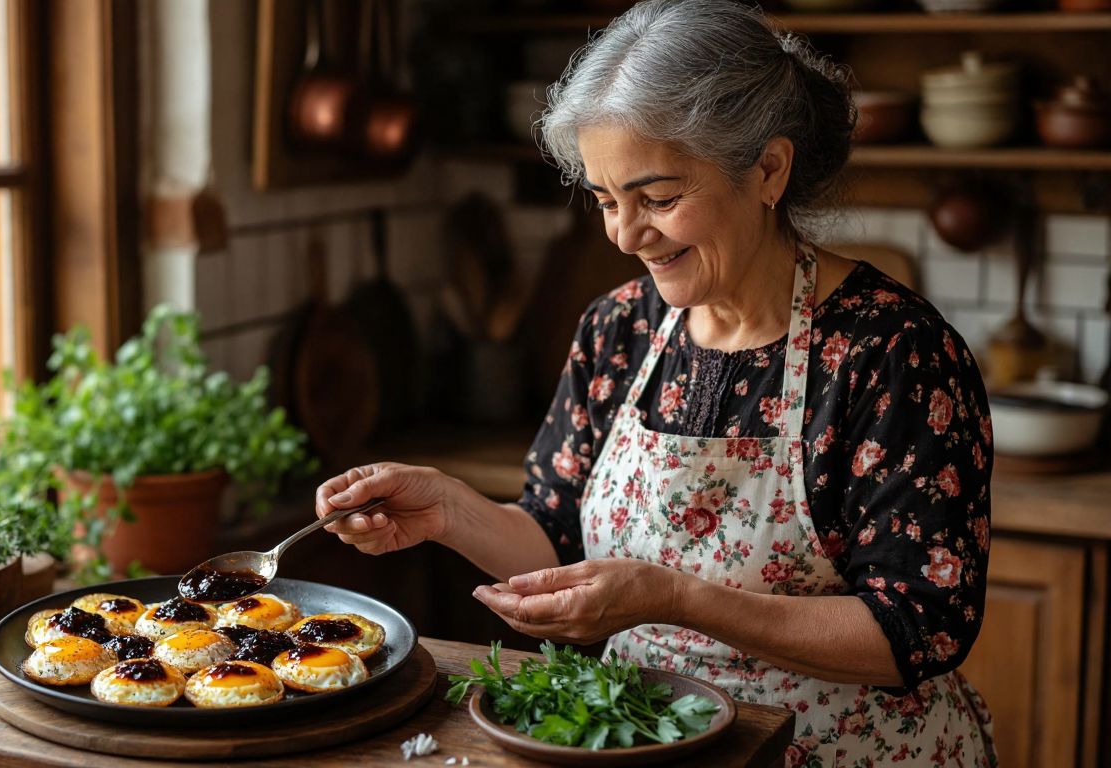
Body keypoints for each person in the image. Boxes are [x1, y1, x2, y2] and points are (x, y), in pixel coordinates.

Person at [315, 0, 996, 765]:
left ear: (768, 169)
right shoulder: (618, 330)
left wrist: (676, 600)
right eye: (606, 199)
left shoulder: (892, 353)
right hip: (652, 748)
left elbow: (919, 627)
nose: (624, 234)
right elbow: (558, 535)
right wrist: (446, 508)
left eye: (660, 199)